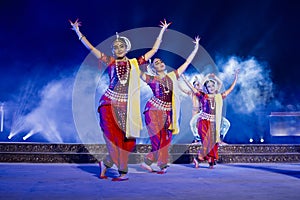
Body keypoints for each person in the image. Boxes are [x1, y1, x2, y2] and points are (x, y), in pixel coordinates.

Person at [69, 19, 171, 181]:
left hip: (126, 107)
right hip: (109, 104)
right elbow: (91, 48)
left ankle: (106, 163)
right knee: (113, 138)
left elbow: (154, 50)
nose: (118, 49)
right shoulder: (110, 61)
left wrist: (161, 32)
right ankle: (123, 171)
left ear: (127, 47)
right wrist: (78, 32)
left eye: (121, 46)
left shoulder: (134, 63)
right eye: (115, 47)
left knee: (129, 141)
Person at [140, 36, 200, 174]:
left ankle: (149, 162)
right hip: (153, 110)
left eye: (161, 61)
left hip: (168, 112)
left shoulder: (173, 75)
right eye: (156, 62)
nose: (160, 63)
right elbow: (135, 69)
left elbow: (187, 62)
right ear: (153, 68)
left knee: (166, 138)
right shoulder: (151, 79)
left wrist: (196, 48)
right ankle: (161, 164)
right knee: (156, 138)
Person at [184, 71, 239, 169]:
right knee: (206, 142)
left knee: (214, 142)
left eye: (213, 86)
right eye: (209, 86)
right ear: (206, 88)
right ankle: (199, 158)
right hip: (203, 122)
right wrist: (185, 80)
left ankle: (209, 159)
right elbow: (192, 88)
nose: (211, 88)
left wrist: (236, 78)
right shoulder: (202, 96)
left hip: (214, 123)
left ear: (215, 87)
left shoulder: (219, 96)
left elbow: (230, 89)